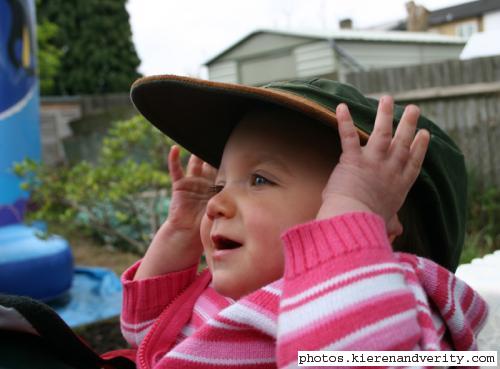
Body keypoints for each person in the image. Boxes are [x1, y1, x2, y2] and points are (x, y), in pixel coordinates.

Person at [109, 76, 487, 368]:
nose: (216, 204)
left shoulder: (389, 300)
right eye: (219, 184)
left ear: (374, 226)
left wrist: (351, 206)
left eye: (259, 180)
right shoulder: (233, 292)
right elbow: (144, 335)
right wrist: (179, 230)